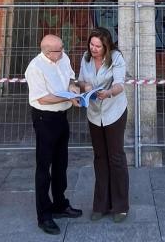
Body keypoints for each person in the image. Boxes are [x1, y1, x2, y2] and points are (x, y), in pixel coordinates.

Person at [25, 34, 83, 235]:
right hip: (44, 119)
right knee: (44, 168)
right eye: (59, 49)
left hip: (61, 117)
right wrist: (67, 97)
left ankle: (60, 204)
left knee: (61, 163)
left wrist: (74, 89)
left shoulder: (62, 58)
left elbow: (70, 78)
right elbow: (42, 98)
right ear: (47, 52)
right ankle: (44, 215)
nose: (63, 51)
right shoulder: (35, 68)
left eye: (63, 47)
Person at [77, 27, 129, 223]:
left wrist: (108, 93)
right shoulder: (86, 58)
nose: (94, 49)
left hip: (114, 111)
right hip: (94, 113)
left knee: (116, 157)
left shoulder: (116, 57)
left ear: (107, 46)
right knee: (99, 157)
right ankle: (100, 205)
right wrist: (85, 87)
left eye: (98, 46)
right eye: (91, 44)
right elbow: (80, 80)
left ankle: (120, 206)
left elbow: (119, 83)